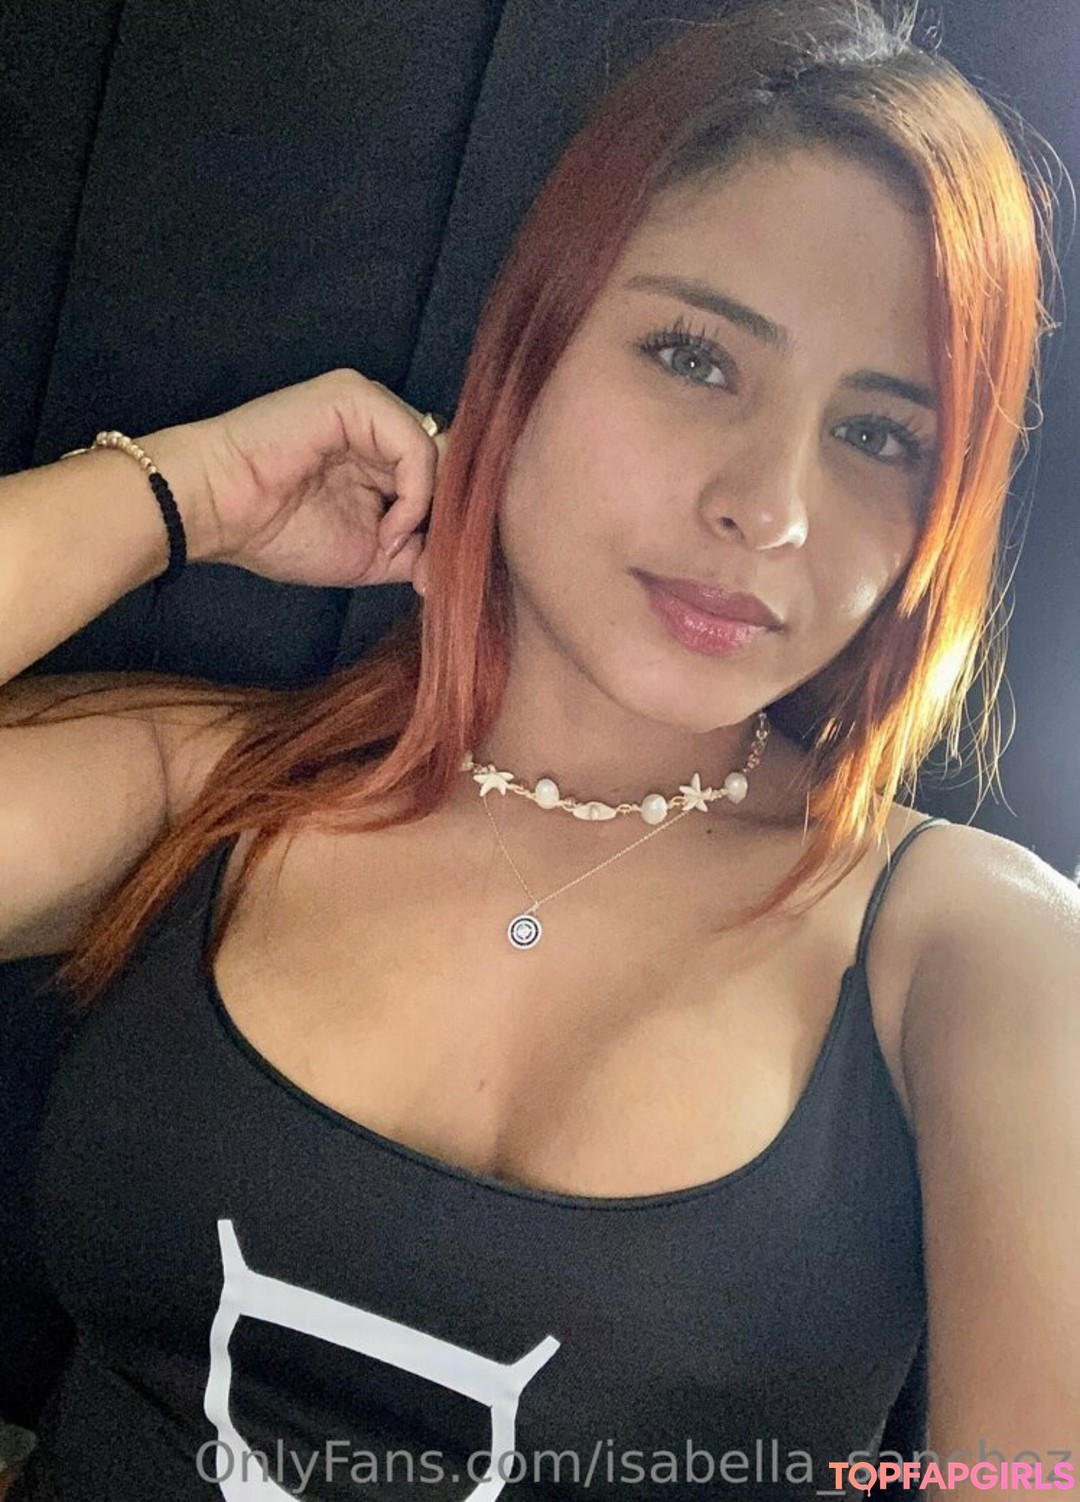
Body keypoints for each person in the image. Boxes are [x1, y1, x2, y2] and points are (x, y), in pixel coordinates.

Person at [0, 0, 1076, 1497]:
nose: (770, 507)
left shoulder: (972, 948)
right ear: (530, 351)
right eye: (696, 356)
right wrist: (182, 493)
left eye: (880, 434)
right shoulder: (223, 789)